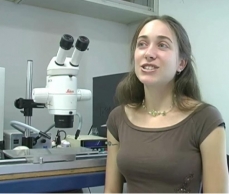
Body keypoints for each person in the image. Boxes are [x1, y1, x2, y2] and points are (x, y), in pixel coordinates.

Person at [104, 15, 228, 193]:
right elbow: (111, 191)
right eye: (142, 44)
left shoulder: (205, 119)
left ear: (181, 63)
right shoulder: (117, 118)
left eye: (162, 45)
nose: (149, 53)